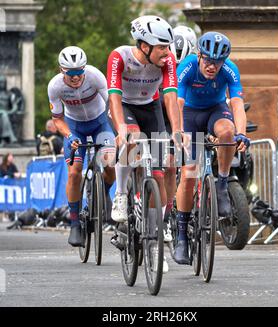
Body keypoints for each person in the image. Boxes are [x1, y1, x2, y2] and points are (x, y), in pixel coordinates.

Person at [106, 15, 183, 273]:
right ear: (144, 46)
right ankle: (119, 195)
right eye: (162, 46)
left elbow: (171, 97)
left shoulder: (167, 61)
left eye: (168, 46)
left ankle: (154, 243)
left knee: (160, 176)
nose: (167, 52)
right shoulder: (119, 57)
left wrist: (178, 131)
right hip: (125, 107)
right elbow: (114, 97)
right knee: (132, 139)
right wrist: (120, 129)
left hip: (151, 108)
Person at [173, 31, 250, 264]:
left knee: (227, 132)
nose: (212, 66)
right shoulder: (187, 67)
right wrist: (179, 133)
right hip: (189, 115)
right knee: (188, 175)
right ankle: (182, 236)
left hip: (215, 110)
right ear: (199, 55)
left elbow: (236, 103)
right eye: (207, 60)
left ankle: (222, 184)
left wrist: (242, 134)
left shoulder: (229, 70)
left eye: (217, 62)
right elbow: (177, 101)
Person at [47, 46, 116, 247]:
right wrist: (68, 136)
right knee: (74, 173)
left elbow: (112, 103)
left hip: (99, 123)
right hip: (74, 127)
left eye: (80, 72)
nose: (76, 77)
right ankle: (75, 223)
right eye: (71, 73)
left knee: (110, 162)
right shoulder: (55, 87)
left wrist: (116, 127)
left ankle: (104, 191)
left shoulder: (95, 76)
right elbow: (57, 119)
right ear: (62, 71)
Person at [161, 25, 198, 243]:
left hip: (184, 116)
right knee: (167, 163)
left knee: (184, 166)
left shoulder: (194, 67)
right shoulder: (161, 64)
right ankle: (162, 216)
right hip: (162, 115)